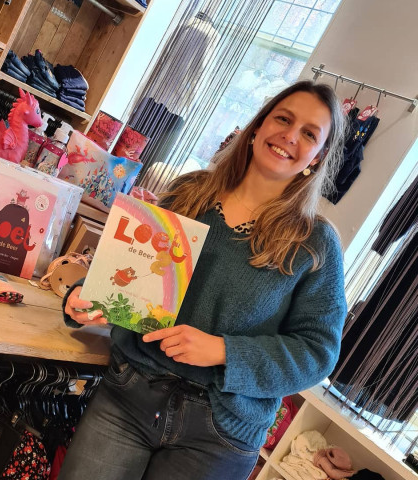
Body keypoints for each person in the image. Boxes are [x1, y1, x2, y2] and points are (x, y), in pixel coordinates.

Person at [58, 80, 349, 480]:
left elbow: (317, 352)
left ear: (319, 156)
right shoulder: (189, 192)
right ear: (259, 126)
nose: (290, 136)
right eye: (283, 119)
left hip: (221, 434)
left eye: (310, 134)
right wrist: (87, 297)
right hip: (128, 396)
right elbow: (133, 270)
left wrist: (226, 351)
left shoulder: (316, 242)